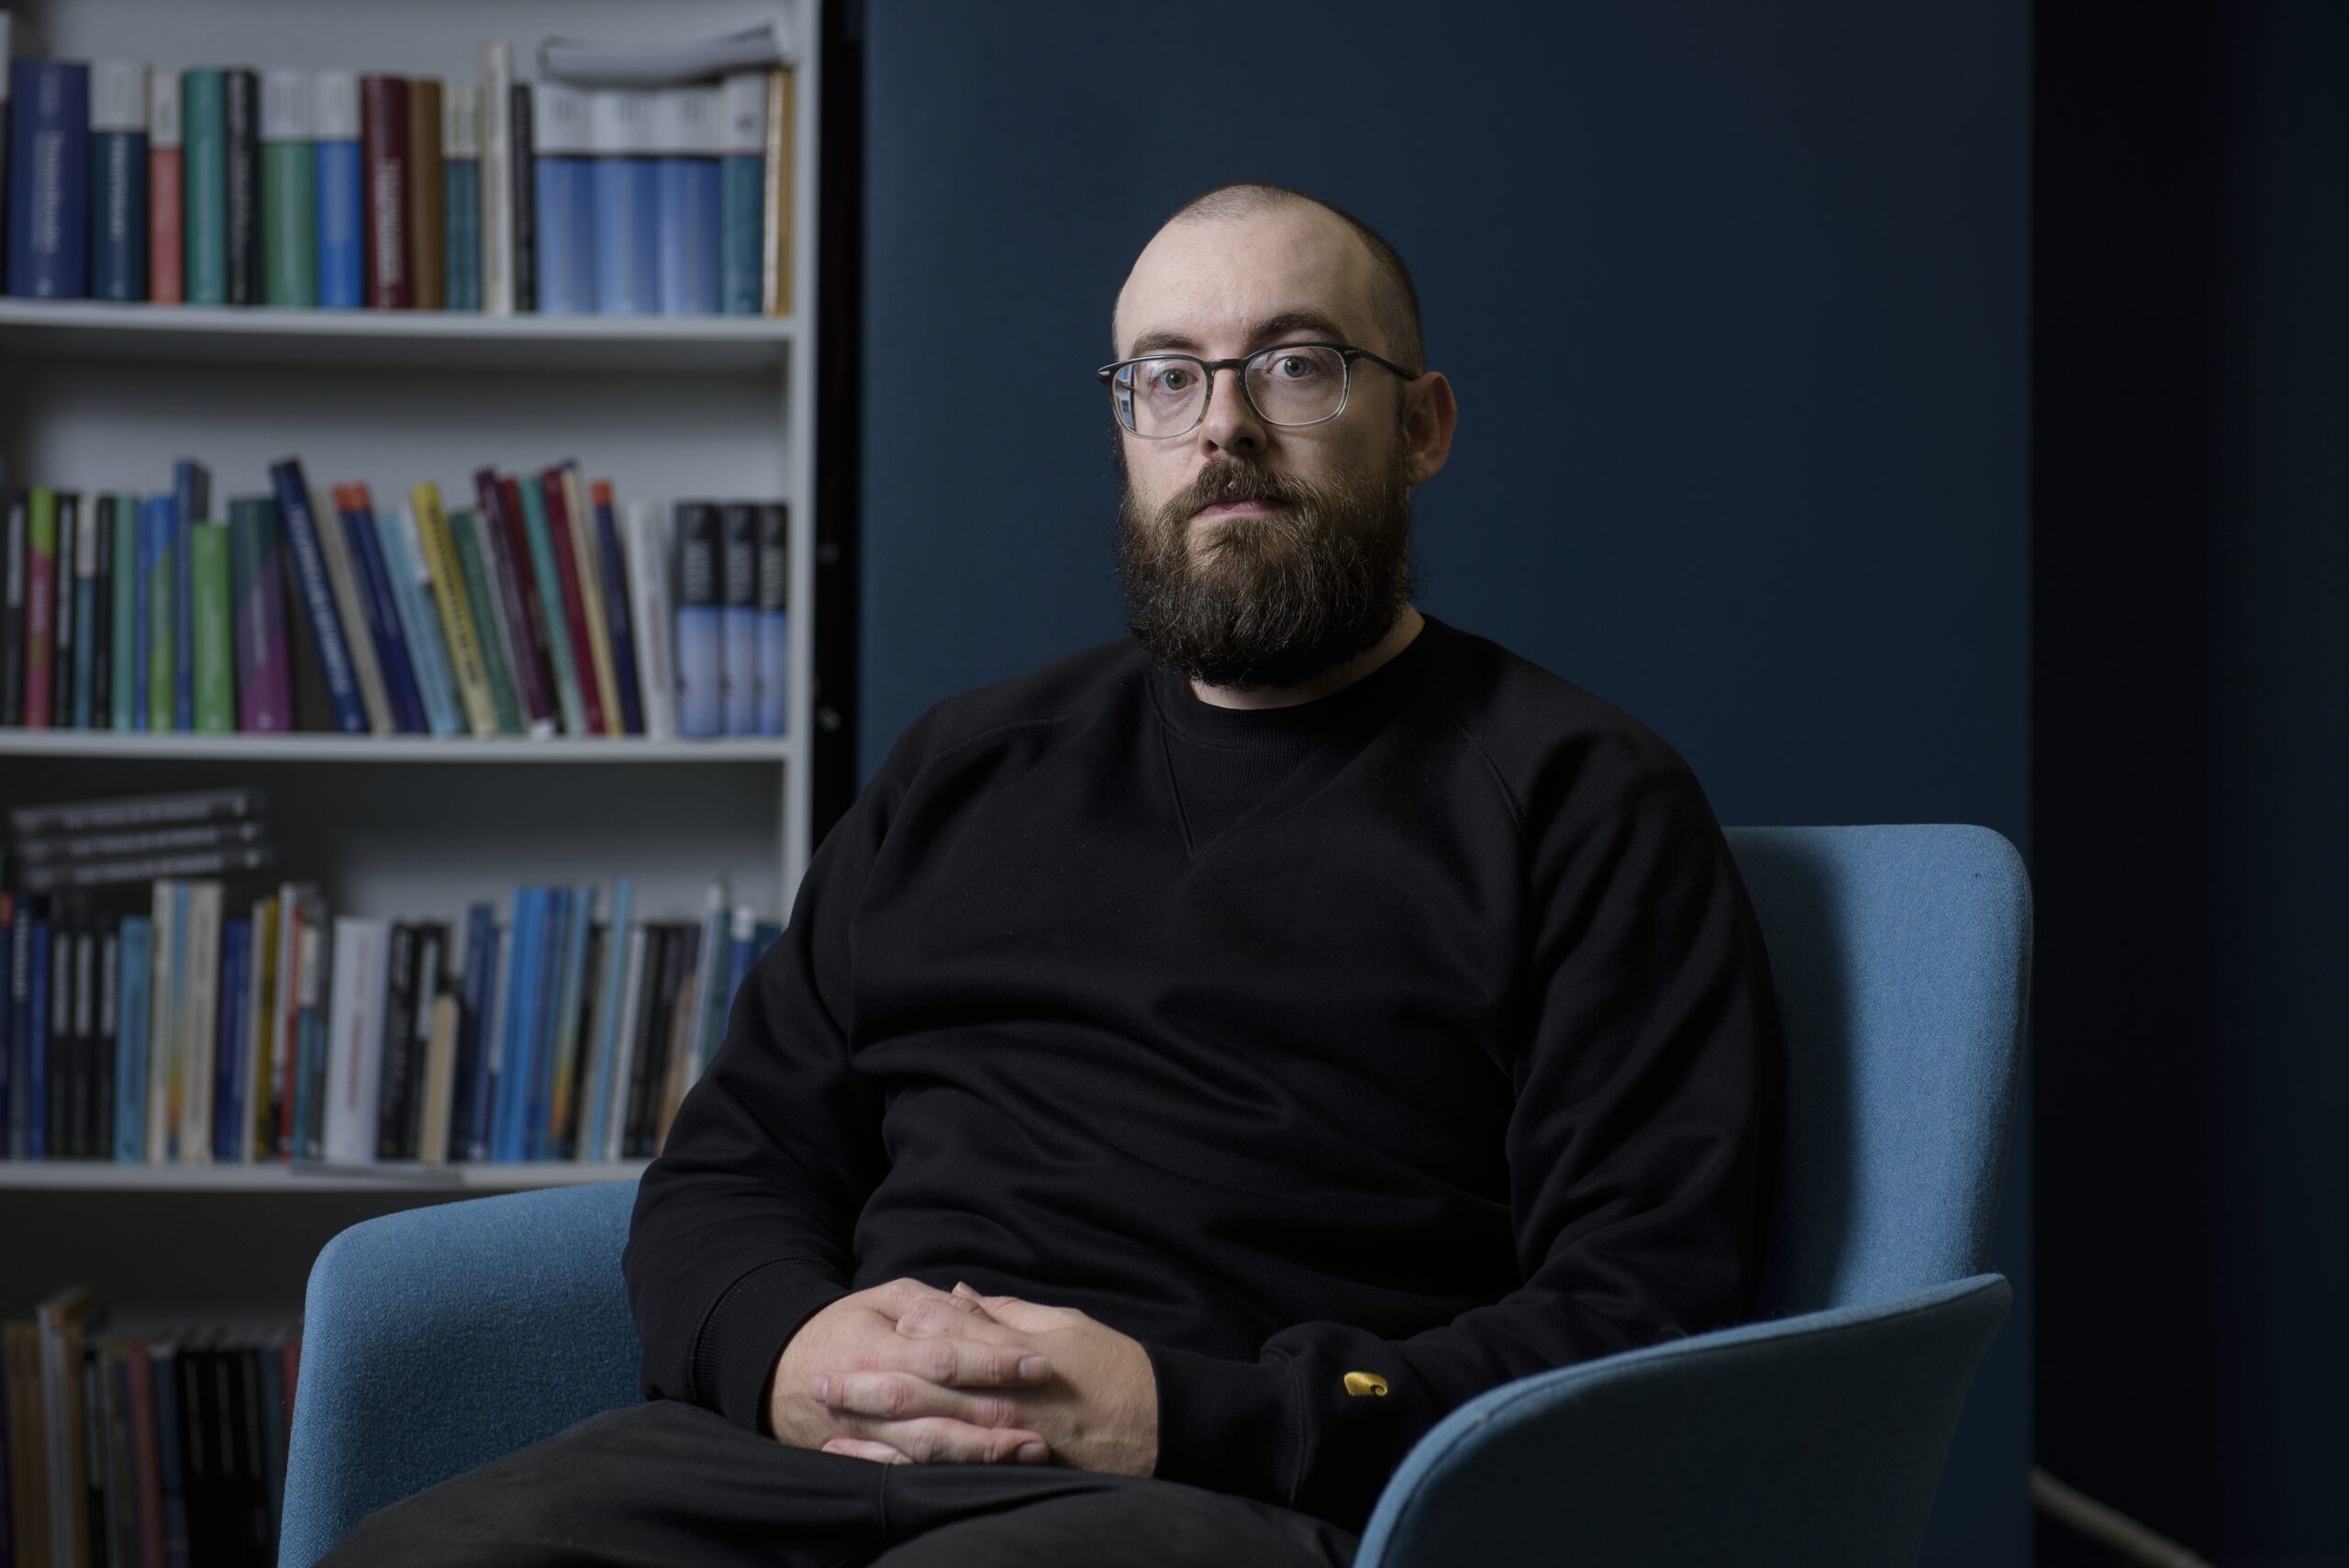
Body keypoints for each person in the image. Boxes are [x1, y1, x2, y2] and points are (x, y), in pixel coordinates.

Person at [317, 180, 1781, 1568]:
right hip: (820, 1455)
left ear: (1423, 426)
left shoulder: (1584, 799)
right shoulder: (962, 767)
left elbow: (1639, 1305)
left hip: (1217, 1494)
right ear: (1129, 428)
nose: (1226, 428)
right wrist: (784, 1350)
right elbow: (734, 1164)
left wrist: (1183, 1411)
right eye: (1168, 377)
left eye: (1295, 366)